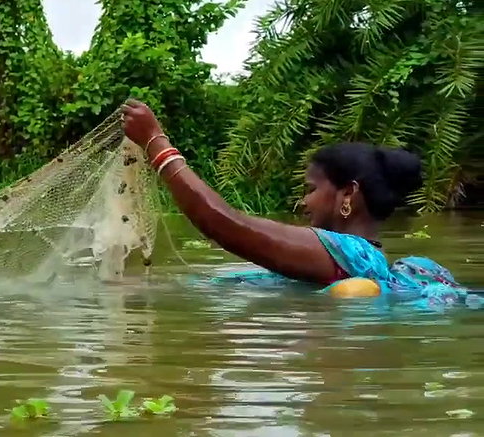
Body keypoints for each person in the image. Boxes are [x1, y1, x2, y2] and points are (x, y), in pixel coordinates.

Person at [120, 99, 478, 308]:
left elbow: (224, 224)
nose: (303, 200)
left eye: (312, 188)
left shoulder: (350, 253)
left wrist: (156, 143)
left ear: (347, 195)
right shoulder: (358, 261)